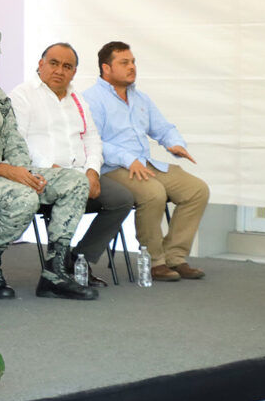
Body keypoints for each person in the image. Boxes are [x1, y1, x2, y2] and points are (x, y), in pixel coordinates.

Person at [0, 28, 97, 300]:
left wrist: (25, 171)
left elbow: (14, 141)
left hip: (6, 173)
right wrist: (6, 170)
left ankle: (55, 274)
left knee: (76, 181)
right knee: (25, 198)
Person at [82, 41, 210, 281]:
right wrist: (128, 159)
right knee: (153, 193)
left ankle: (175, 257)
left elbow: (162, 128)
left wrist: (174, 143)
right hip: (112, 167)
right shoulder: (91, 99)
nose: (132, 67)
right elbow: (93, 141)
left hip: (145, 163)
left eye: (133, 62)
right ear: (106, 68)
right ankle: (154, 261)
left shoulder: (140, 98)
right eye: (124, 63)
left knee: (197, 190)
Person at [10, 43, 134, 286]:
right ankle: (57, 267)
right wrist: (51, 167)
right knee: (71, 188)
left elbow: (92, 139)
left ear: (74, 72)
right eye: (53, 63)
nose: (59, 70)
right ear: (41, 64)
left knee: (121, 199)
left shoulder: (77, 98)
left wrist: (92, 172)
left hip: (79, 173)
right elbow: (16, 141)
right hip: (41, 174)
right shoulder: (22, 95)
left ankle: (79, 260)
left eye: (67, 66)